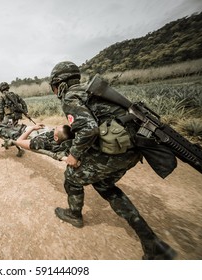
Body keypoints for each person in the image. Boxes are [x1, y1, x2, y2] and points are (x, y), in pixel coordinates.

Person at [48, 61, 177, 260]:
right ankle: (152, 243)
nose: (55, 91)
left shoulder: (71, 96)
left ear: (61, 84)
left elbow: (88, 128)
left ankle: (74, 215)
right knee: (104, 185)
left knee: (72, 177)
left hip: (115, 151)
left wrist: (74, 155)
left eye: (55, 86)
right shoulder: (93, 91)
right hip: (131, 150)